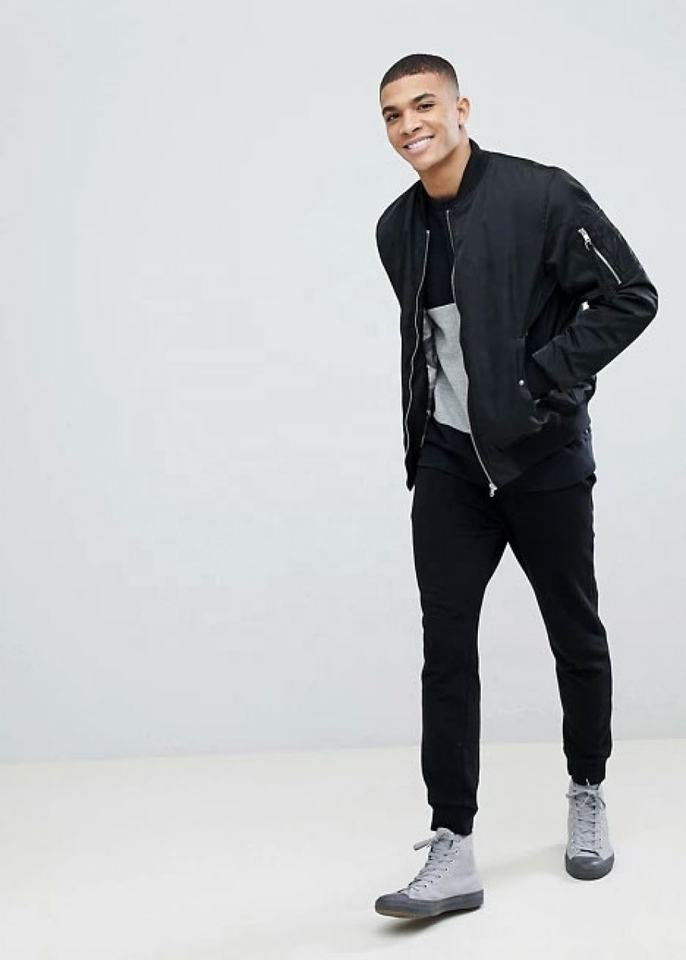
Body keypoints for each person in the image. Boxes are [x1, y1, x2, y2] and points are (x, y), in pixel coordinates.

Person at [373, 53, 658, 920]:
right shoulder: (396, 229)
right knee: (446, 650)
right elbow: (433, 344)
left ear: (462, 108)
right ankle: (452, 844)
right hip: (451, 464)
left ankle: (587, 790)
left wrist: (539, 382)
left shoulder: (542, 195)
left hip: (541, 459)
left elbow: (630, 295)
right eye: (392, 115)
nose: (409, 125)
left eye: (424, 105)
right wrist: (428, 439)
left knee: (575, 631)